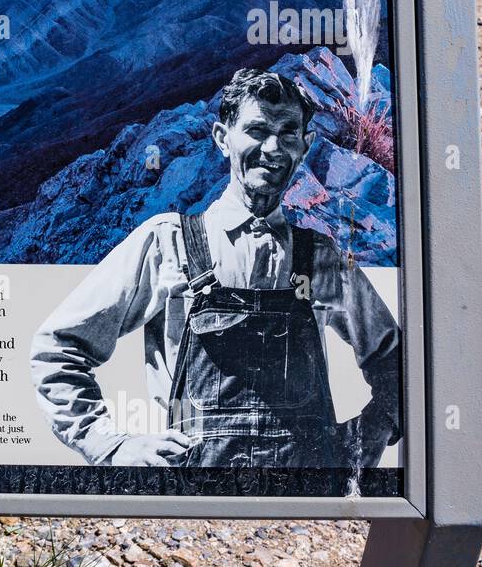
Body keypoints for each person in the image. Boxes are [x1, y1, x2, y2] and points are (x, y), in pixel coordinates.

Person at [29, 68, 400, 469]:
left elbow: (394, 361)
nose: (273, 148)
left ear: (305, 146)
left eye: (288, 133)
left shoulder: (323, 258)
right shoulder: (167, 243)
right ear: (223, 138)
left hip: (304, 502)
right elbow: (57, 349)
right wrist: (109, 444)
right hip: (194, 499)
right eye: (257, 130)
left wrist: (372, 431)